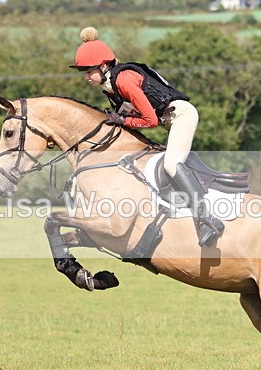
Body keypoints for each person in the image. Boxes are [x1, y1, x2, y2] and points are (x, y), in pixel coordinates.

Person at [70, 26, 223, 247]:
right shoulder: (111, 85)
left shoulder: (123, 81)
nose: (85, 77)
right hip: (168, 121)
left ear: (103, 66)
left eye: (87, 71)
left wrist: (123, 121)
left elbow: (150, 120)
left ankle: (207, 219)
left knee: (171, 164)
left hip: (181, 116)